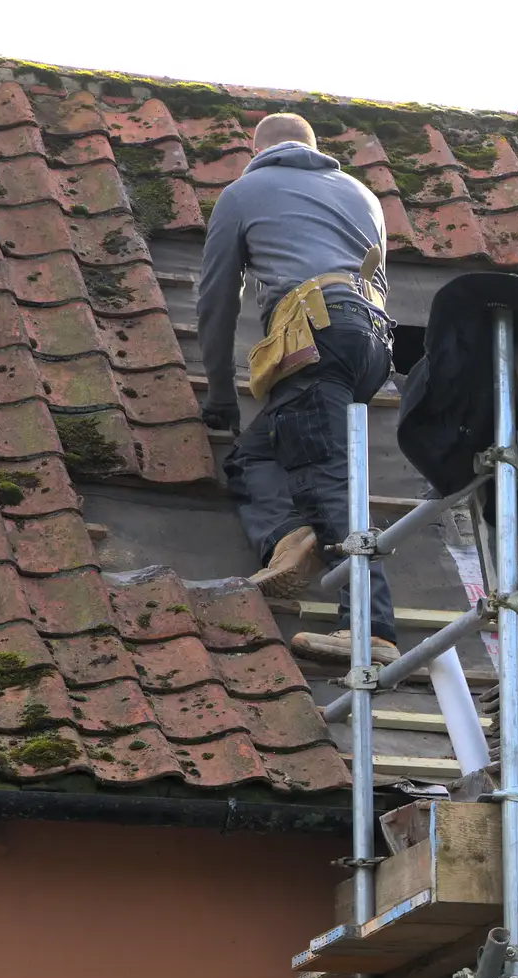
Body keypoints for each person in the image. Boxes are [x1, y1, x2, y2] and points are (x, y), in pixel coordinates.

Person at [197, 113, 400, 663]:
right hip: (372, 342)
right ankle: (291, 537)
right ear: (315, 146)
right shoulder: (363, 194)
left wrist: (220, 396)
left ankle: (371, 628)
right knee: (253, 457)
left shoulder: (244, 192)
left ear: (253, 148)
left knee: (326, 480)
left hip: (316, 337)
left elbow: (217, 301)